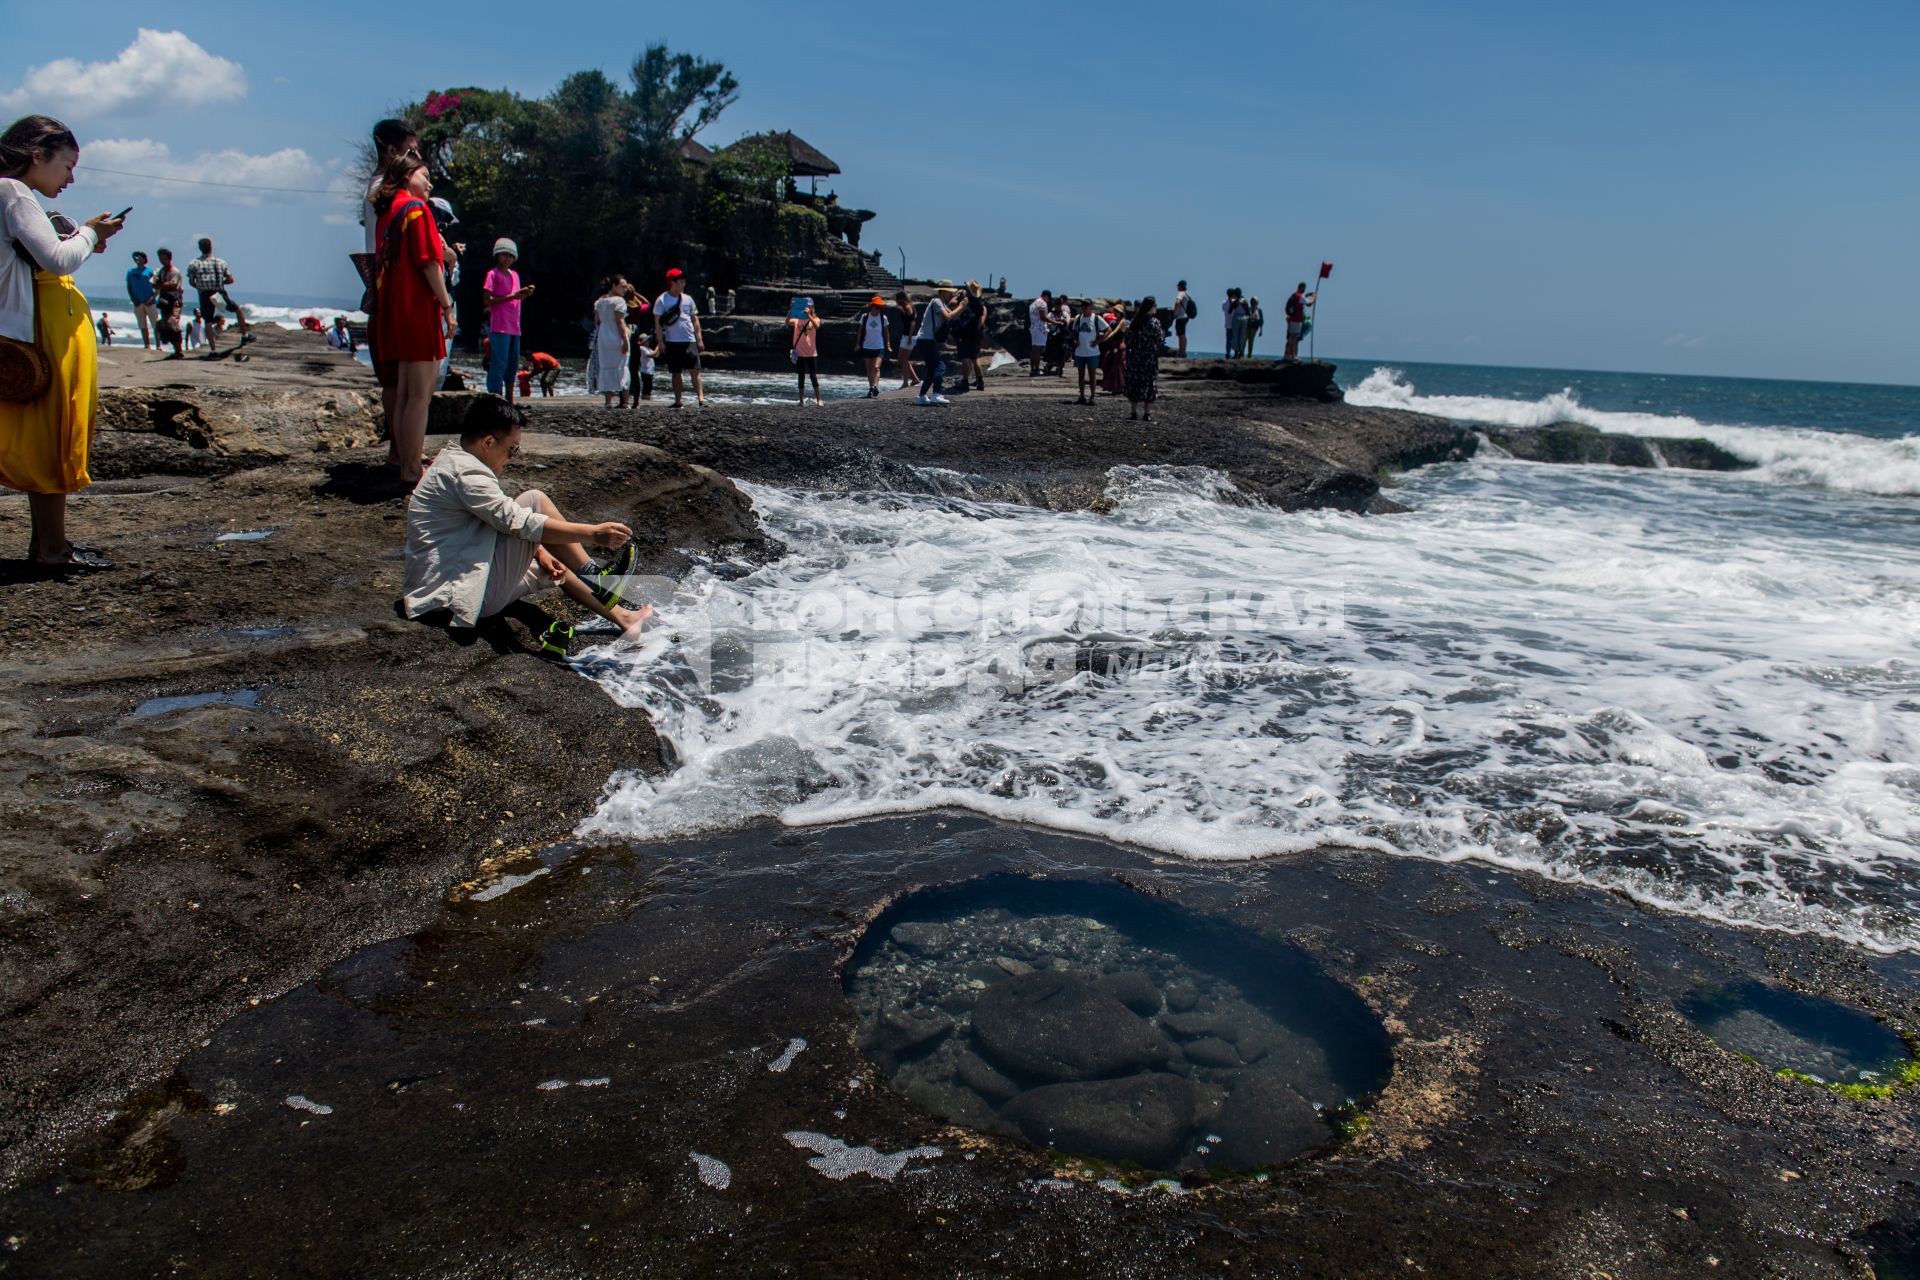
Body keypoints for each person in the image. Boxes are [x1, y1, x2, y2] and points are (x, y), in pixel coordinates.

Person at [402, 397, 652, 646]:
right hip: (456, 597)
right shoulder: (466, 473)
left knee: (554, 566)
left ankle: (623, 617)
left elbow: (491, 521)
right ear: (488, 442)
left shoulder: (455, 462)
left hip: (453, 583)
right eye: (513, 449)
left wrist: (541, 552)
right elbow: (516, 522)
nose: (513, 457)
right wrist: (593, 534)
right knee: (534, 501)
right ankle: (594, 576)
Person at [0, 114, 124, 572]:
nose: (71, 177)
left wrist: (80, 235)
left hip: (36, 324)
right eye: (67, 165)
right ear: (37, 155)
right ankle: (51, 549)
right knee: (53, 436)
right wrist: (91, 235)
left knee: (42, 437)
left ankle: (49, 545)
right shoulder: (13, 192)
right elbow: (55, 258)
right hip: (44, 331)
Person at [371, 154, 454, 486]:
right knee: (420, 395)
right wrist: (447, 307)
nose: (430, 182)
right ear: (407, 177)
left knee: (406, 392)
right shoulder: (417, 211)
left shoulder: (388, 212)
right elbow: (428, 262)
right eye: (425, 175)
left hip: (395, 309)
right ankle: (411, 468)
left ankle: (405, 462)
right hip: (418, 307)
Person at [482, 238, 532, 402]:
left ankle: (509, 401)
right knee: (499, 364)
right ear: (497, 256)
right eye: (504, 255)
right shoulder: (492, 274)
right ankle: (495, 399)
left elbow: (515, 300)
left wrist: (523, 294)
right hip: (499, 326)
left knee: (512, 366)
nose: (508, 258)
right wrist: (512, 296)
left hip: (514, 327)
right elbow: (487, 300)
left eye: (511, 256)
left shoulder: (515, 275)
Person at [185, 237, 250, 355]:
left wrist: (200, 286)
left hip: (204, 293)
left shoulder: (194, 264)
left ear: (200, 248)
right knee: (237, 309)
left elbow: (191, 282)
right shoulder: (220, 262)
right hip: (218, 292)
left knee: (208, 321)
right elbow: (230, 279)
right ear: (211, 247)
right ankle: (244, 335)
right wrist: (220, 282)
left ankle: (213, 350)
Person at [653, 268, 704, 408]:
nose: (683, 282)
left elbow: (695, 319)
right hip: (672, 341)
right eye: (680, 280)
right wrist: (660, 342)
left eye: (683, 280)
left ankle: (701, 399)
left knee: (695, 370)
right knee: (676, 372)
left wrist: (699, 338)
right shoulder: (662, 300)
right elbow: (657, 323)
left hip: (689, 340)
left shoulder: (688, 299)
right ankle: (678, 401)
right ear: (672, 282)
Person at [912, 281, 967, 406]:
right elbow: (948, 316)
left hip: (925, 340)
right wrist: (962, 306)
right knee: (940, 366)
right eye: (949, 293)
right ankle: (936, 394)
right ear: (943, 292)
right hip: (925, 340)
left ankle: (922, 396)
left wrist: (958, 300)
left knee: (932, 369)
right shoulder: (936, 302)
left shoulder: (940, 303)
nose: (950, 295)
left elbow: (953, 316)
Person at [587, 275, 629, 408]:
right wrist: (625, 340)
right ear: (614, 286)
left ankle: (608, 401)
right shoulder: (619, 301)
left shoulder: (600, 301)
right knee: (622, 365)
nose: (625, 289)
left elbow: (597, 321)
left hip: (603, 335)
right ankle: (625, 401)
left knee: (605, 367)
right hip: (615, 334)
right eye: (622, 286)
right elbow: (620, 321)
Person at [1123, 296, 1164, 422]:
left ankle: (1134, 412)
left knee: (1135, 382)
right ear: (1151, 307)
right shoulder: (1154, 322)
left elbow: (1127, 339)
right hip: (1149, 357)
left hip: (1135, 357)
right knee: (1149, 383)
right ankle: (1147, 413)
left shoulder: (1135, 321)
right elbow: (1160, 339)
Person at [1070, 298, 1107, 405]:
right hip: (1080, 352)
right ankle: (1081, 396)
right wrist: (1075, 340)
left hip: (1092, 352)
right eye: (1084, 306)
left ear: (1091, 307)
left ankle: (1092, 396)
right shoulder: (1078, 318)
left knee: (1092, 375)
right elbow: (1073, 331)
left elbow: (1107, 330)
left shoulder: (1096, 319)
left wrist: (1098, 341)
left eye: (1087, 306)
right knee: (1080, 375)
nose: (1085, 308)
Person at [953, 280, 988, 392]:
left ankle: (965, 382)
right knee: (975, 358)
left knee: (966, 359)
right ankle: (980, 382)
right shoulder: (980, 305)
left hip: (964, 333)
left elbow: (955, 314)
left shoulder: (965, 302)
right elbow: (981, 321)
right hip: (974, 334)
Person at [853, 294, 891, 398]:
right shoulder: (865, 317)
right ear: (872, 307)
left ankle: (875, 387)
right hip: (866, 346)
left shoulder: (883, 318)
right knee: (869, 369)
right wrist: (857, 344)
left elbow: (887, 332)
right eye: (877, 307)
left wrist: (888, 344)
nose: (879, 309)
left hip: (879, 346)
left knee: (876, 367)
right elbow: (860, 332)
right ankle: (871, 388)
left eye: (880, 307)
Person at [151, 246, 185, 358]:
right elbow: (153, 282)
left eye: (164, 258)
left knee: (173, 322)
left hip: (175, 300)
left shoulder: (175, 271)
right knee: (165, 323)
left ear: (169, 258)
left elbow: (173, 285)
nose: (162, 260)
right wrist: (163, 285)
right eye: (160, 258)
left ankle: (179, 350)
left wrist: (161, 285)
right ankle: (176, 350)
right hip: (164, 299)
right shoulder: (159, 271)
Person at [790, 301, 822, 406]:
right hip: (799, 352)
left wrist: (809, 315)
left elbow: (817, 326)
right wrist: (791, 310)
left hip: (811, 352)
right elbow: (787, 322)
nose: (807, 308)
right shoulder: (797, 319)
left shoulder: (815, 319)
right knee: (801, 376)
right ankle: (801, 401)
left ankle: (819, 400)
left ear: (813, 308)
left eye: (809, 307)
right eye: (806, 307)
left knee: (813, 376)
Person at [125, 250, 156, 349]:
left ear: (144, 258)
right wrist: (133, 299)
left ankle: (158, 344)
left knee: (155, 324)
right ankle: (147, 344)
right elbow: (129, 287)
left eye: (139, 257)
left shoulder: (150, 272)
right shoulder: (131, 272)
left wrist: (152, 298)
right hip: (138, 302)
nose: (137, 259)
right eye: (135, 258)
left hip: (150, 302)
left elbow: (157, 287)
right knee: (142, 324)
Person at [892, 289, 917, 389]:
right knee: (901, 359)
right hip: (906, 336)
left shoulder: (908, 307)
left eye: (897, 299)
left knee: (905, 359)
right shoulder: (905, 307)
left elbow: (912, 323)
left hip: (909, 336)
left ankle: (905, 382)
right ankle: (915, 379)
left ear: (901, 299)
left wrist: (910, 337)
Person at [1284, 281, 1315, 363]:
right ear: (1302, 288)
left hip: (1291, 319)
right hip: (1297, 320)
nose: (1304, 290)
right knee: (1294, 338)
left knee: (1291, 337)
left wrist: (1307, 295)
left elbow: (1302, 298)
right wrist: (1313, 297)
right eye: (1304, 289)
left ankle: (1287, 354)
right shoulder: (1300, 296)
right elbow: (1309, 304)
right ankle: (1292, 355)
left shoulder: (1294, 295)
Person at [1100, 306, 1127, 396]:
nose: (1115, 313)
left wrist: (1107, 337)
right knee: (1106, 363)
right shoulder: (1113, 322)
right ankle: (1112, 385)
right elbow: (1108, 330)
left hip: (1119, 346)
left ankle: (1119, 387)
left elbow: (1115, 331)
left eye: (1117, 312)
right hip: (1113, 346)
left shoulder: (1123, 321)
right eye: (1115, 312)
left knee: (1117, 367)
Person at [1026, 289, 1052, 376]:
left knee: (1034, 349)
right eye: (1048, 298)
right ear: (1046, 296)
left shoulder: (1033, 303)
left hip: (1033, 328)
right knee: (1038, 350)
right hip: (1040, 328)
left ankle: (1032, 369)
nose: (1048, 300)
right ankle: (1036, 370)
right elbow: (1043, 317)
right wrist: (1055, 322)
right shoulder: (1042, 303)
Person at [1171, 279, 1191, 358]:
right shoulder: (1187, 294)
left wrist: (1175, 313)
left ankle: (1181, 352)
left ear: (1180, 286)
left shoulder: (1181, 293)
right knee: (1182, 334)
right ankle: (1183, 351)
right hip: (1186, 316)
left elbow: (1177, 302)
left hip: (1181, 317)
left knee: (1180, 335)